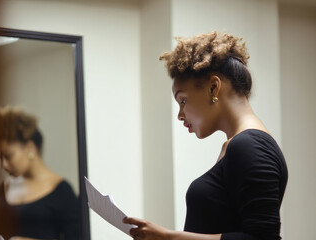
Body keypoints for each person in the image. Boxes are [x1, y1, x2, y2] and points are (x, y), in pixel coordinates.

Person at [123, 31, 288, 240]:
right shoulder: (238, 145)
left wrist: (169, 237)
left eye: (182, 101)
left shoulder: (250, 145)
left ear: (213, 87)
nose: (180, 116)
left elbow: (262, 238)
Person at [0, 106, 80, 240]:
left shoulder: (62, 191)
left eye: (8, 156)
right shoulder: (4, 188)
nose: (3, 164)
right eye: (0, 157)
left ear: (30, 148)